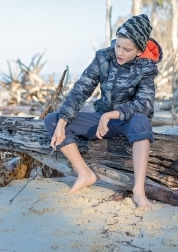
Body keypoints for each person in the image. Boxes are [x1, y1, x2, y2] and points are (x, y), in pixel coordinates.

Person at [44, 14, 163, 209]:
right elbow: (81, 89)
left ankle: (138, 190)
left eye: (127, 49)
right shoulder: (103, 57)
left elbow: (145, 105)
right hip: (100, 120)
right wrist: (63, 121)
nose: (120, 52)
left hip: (125, 122)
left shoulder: (146, 68)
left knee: (142, 121)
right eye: (118, 45)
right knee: (52, 120)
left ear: (140, 51)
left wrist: (111, 115)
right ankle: (85, 174)